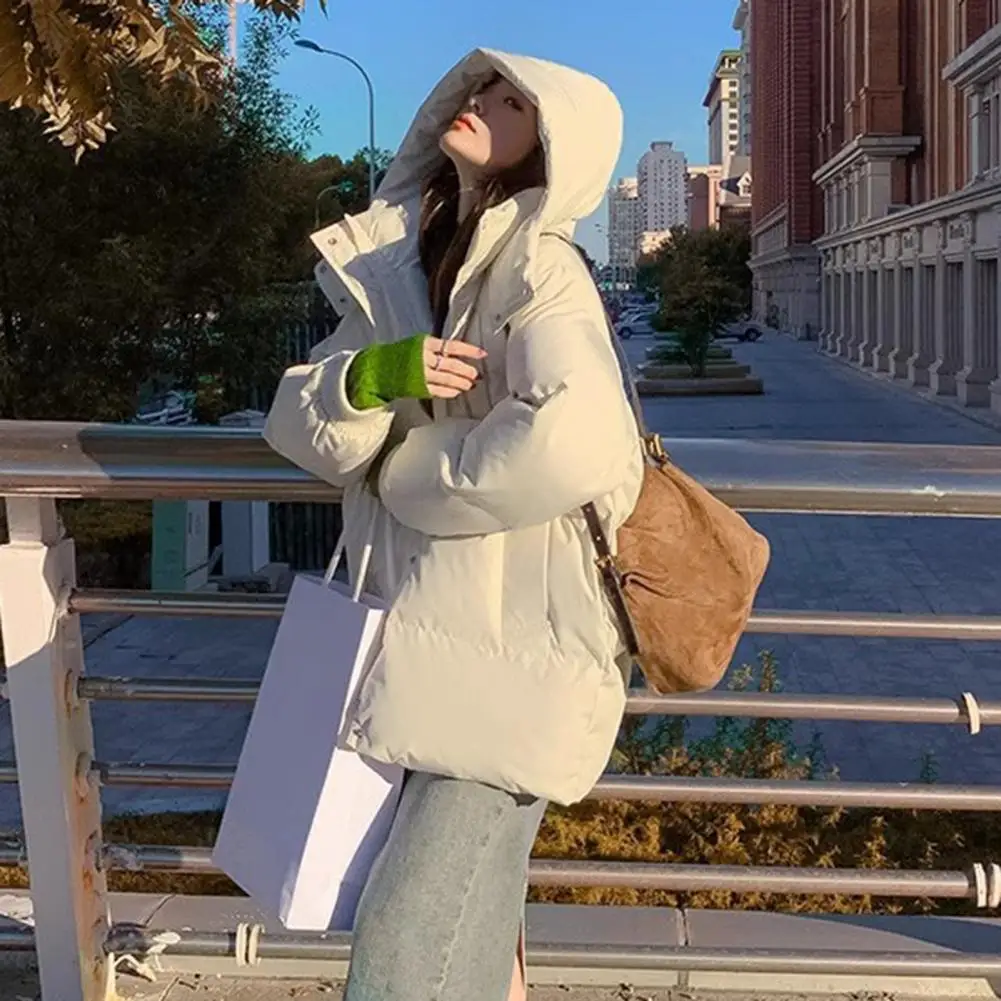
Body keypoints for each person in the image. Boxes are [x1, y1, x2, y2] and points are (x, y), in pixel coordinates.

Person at [264, 48, 643, 1001]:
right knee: (469, 952)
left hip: (518, 653)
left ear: (547, 147)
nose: (481, 101)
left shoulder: (542, 268)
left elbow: (579, 438)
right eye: (481, 86)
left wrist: (411, 470)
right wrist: (373, 378)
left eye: (513, 100)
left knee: (401, 963)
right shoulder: (404, 259)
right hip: (430, 642)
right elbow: (300, 418)